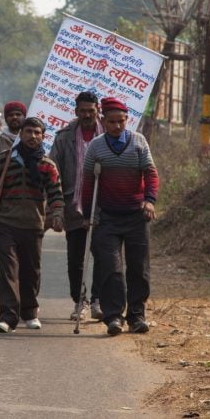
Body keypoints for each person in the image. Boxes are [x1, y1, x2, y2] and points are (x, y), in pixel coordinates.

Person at [80, 97, 160, 336]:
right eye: (111, 122)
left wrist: (150, 200)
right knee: (111, 268)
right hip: (108, 218)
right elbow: (87, 184)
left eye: (121, 121)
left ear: (127, 120)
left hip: (136, 215)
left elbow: (151, 174)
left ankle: (136, 316)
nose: (116, 126)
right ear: (102, 121)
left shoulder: (138, 142)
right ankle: (113, 316)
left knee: (139, 268)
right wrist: (88, 215)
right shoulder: (95, 146)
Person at [0, 117, 64, 333]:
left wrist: (56, 215)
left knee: (31, 272)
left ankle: (30, 312)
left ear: (43, 136)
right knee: (8, 271)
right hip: (6, 225)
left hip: (34, 226)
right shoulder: (4, 160)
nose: (32, 136)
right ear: (21, 134)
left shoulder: (47, 166)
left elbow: (56, 195)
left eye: (37, 133)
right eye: (28, 132)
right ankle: (8, 317)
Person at [48, 91, 104, 321]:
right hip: (73, 209)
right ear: (76, 112)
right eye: (83, 111)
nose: (87, 115)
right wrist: (56, 211)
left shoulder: (109, 136)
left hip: (103, 209)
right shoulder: (63, 138)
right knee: (75, 260)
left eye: (91, 111)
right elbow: (52, 176)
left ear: (98, 110)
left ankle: (98, 301)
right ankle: (79, 301)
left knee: (103, 257)